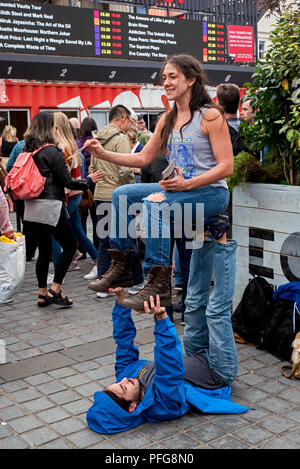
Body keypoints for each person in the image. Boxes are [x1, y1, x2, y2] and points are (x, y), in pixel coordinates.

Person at [84, 54, 233, 311]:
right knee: (121, 194)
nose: (166, 82)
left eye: (173, 76)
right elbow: (143, 158)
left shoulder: (210, 116)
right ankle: (121, 268)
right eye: (164, 77)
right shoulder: (167, 119)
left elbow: (226, 167)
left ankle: (158, 283)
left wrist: (189, 184)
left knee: (155, 205)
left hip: (211, 192)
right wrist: (102, 154)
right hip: (179, 189)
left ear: (191, 79)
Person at [86, 291, 247, 434]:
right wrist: (161, 318)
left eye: (117, 382)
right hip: (218, 369)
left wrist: (121, 302)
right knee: (216, 312)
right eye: (123, 387)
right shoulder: (162, 405)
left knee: (194, 299)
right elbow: (170, 367)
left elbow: (123, 342)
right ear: (132, 407)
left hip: (196, 354)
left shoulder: (127, 376)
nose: (123, 379)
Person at [22, 111, 95, 308]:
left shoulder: (26, 150)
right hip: (51, 207)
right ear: (50, 127)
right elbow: (67, 181)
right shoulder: (52, 151)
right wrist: (88, 181)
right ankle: (55, 289)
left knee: (44, 251)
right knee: (70, 246)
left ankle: (42, 294)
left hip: (31, 208)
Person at [88, 105, 144, 298]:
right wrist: (132, 190)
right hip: (119, 196)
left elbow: (92, 169)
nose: (131, 125)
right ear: (123, 119)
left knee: (105, 240)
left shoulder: (96, 139)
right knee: (128, 238)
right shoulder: (120, 138)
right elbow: (125, 169)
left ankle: (105, 283)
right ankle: (137, 281)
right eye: (130, 121)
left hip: (100, 194)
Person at [50, 111, 102, 282]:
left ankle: (60, 272)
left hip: (68, 197)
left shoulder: (62, 148)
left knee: (54, 234)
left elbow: (65, 180)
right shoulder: (70, 146)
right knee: (78, 232)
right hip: (75, 195)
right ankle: (97, 262)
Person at [76, 117, 99, 263]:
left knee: (82, 218)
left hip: (82, 184)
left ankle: (82, 250)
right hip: (96, 182)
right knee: (96, 218)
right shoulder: (97, 143)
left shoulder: (78, 144)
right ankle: (97, 248)